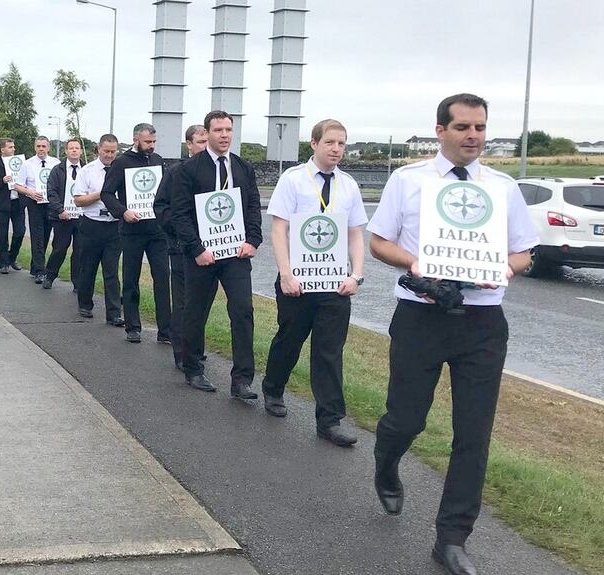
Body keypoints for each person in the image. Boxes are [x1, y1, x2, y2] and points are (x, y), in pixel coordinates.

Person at [367, 93, 538, 575]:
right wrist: (414, 262)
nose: (473, 136)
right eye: (463, 127)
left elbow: (525, 252)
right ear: (440, 130)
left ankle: (452, 537)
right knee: (406, 419)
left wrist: (504, 268)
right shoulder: (408, 181)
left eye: (480, 128)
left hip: (482, 323)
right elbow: (379, 242)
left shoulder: (503, 187)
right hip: (421, 316)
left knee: (473, 434)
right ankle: (386, 460)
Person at [262, 119, 368, 448]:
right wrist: (286, 273)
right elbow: (279, 230)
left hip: (335, 285)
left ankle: (329, 420)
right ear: (314, 144)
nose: (336, 149)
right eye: (330, 143)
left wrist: (356, 275)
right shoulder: (293, 180)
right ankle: (273, 388)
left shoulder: (348, 185)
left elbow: (355, 233)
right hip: (298, 282)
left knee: (328, 352)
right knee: (289, 340)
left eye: (342, 144)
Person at [170, 110, 262, 399]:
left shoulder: (243, 168)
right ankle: (193, 368)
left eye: (228, 130)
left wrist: (253, 241)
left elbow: (253, 208)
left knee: (243, 311)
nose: (224, 135)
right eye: (219, 130)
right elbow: (180, 214)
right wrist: (196, 249)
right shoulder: (189, 169)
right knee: (195, 312)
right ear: (207, 133)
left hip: (235, 255)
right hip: (201, 256)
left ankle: (242, 379)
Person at [101, 123, 170, 344]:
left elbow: (165, 192)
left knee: (162, 278)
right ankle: (133, 326)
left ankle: (165, 330)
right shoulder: (121, 163)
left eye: (153, 142)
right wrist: (123, 212)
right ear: (135, 139)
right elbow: (107, 193)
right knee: (131, 278)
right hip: (132, 230)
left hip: (157, 230)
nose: (151, 146)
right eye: (147, 142)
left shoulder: (158, 160)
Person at [154, 124, 208, 369]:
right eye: (200, 142)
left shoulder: (218, 174)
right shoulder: (176, 172)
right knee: (184, 301)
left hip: (211, 249)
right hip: (182, 248)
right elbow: (161, 207)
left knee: (202, 301)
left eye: (208, 142)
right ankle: (180, 351)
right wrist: (178, 233)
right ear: (189, 144)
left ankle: (195, 348)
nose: (205, 147)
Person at [73, 134, 124, 326]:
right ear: (98, 149)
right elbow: (78, 200)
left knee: (111, 270)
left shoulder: (121, 170)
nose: (110, 155)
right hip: (92, 224)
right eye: (106, 151)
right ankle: (85, 304)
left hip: (114, 225)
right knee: (88, 267)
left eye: (113, 151)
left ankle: (114, 313)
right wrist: (102, 194)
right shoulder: (87, 171)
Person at [15, 136, 60, 282]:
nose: (41, 149)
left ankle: (35, 266)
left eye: (44, 146)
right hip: (34, 202)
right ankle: (40, 270)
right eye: (38, 146)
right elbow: (18, 185)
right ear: (35, 147)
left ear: (48, 148)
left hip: (51, 203)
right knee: (37, 235)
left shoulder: (56, 163)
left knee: (47, 234)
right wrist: (30, 192)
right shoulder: (27, 164)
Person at [44, 138, 85, 290]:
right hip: (62, 217)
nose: (74, 150)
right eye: (71, 148)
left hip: (81, 218)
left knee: (80, 251)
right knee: (59, 248)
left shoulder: (87, 170)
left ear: (81, 151)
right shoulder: (58, 170)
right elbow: (51, 191)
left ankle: (77, 282)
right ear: (66, 151)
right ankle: (49, 275)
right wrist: (60, 210)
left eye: (77, 148)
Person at [0, 138, 26, 273]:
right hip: (2, 203)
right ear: (2, 150)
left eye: (14, 147)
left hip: (17, 202)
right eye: (10, 147)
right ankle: (3, 263)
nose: (13, 149)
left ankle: (12, 257)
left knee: (20, 232)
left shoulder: (20, 163)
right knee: (2, 234)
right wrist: (2, 181)